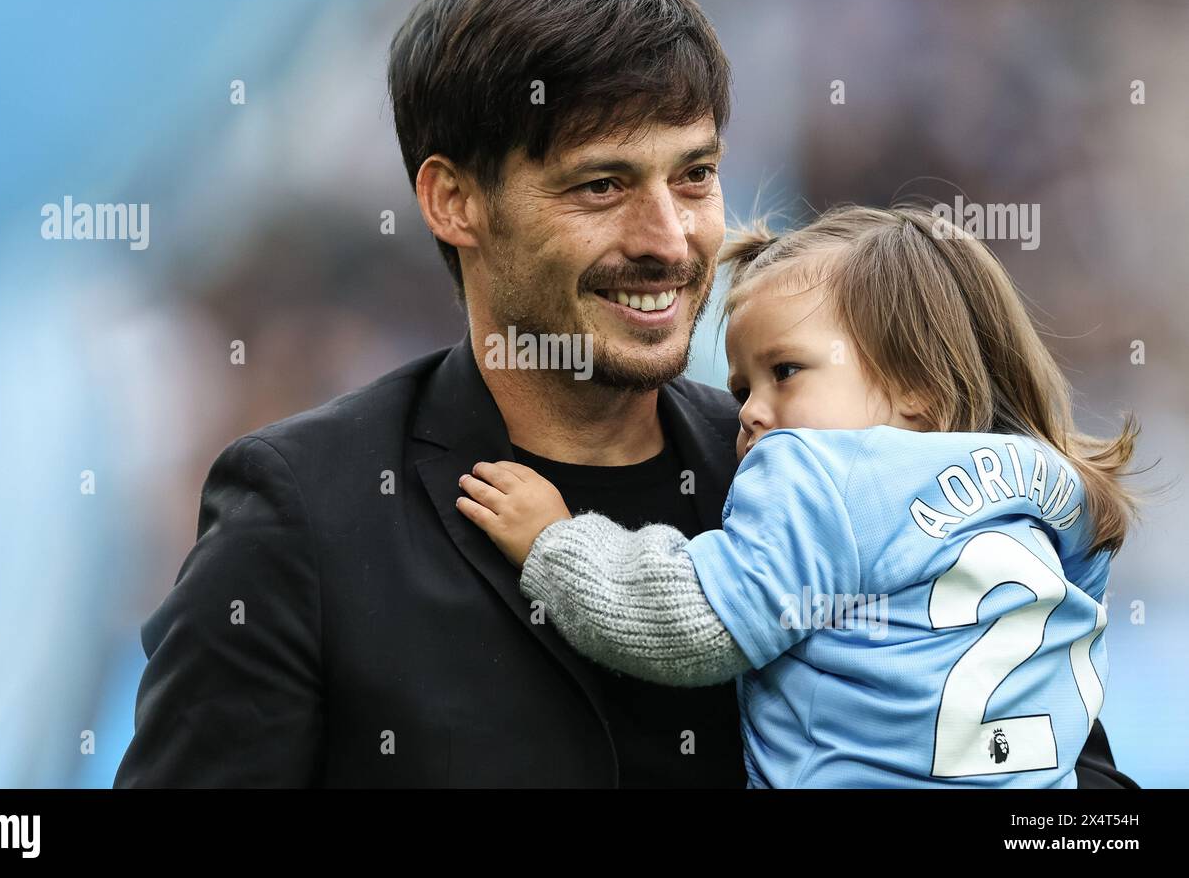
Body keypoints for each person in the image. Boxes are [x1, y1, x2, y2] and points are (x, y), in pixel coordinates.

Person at [114, 0, 1134, 787]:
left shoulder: (821, 466)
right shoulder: (305, 514)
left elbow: (1068, 790)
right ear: (452, 200)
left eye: (693, 176)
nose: (668, 236)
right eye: (601, 185)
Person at [456, 205, 1140, 787]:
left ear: (917, 384)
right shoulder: (1052, 488)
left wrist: (556, 539)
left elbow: (693, 621)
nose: (751, 413)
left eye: (785, 372)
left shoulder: (817, 473)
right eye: (741, 389)